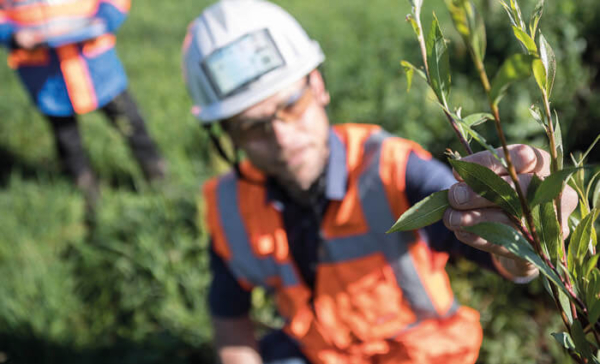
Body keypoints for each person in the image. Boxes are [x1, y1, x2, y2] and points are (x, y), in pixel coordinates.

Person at [181, 1, 577, 363]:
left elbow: (502, 254)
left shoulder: (392, 169)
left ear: (317, 86)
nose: (282, 138)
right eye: (252, 127)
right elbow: (230, 321)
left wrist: (525, 230)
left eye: (290, 105)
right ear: (229, 136)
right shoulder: (229, 208)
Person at [0, 0, 166, 209]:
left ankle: (156, 174)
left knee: (130, 122)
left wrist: (105, 19)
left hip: (96, 66)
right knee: (67, 139)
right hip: (47, 76)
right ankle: (85, 189)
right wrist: (10, 34)